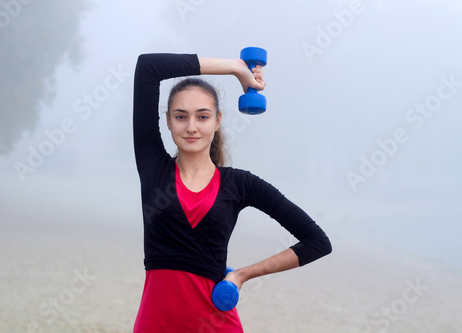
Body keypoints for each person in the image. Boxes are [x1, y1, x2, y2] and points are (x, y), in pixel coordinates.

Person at [132, 52, 332, 332]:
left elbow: (317, 242)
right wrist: (235, 69)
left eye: (202, 116)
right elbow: (148, 67)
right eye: (181, 116)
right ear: (167, 120)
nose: (191, 127)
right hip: (155, 324)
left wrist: (242, 275)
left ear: (216, 121)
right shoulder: (153, 167)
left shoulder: (240, 184)